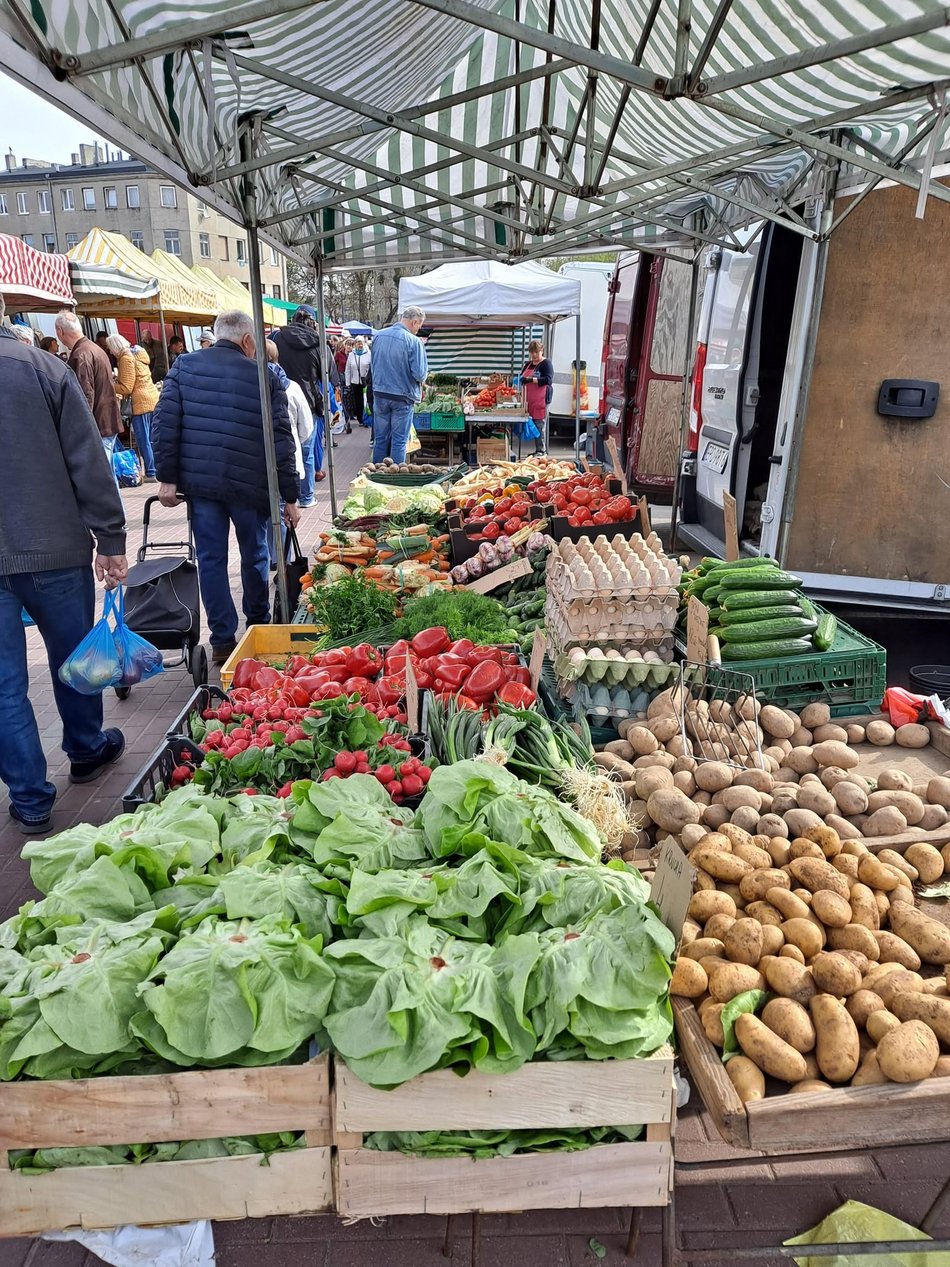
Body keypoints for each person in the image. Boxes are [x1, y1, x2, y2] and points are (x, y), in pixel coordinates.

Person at [0, 290, 128, 834]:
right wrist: (112, 538)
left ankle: (29, 797)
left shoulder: (46, 367)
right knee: (73, 656)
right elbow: (86, 458)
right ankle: (85, 747)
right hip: (53, 545)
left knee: (3, 685)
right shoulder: (42, 367)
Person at [152, 310, 300, 664]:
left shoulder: (184, 367)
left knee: (211, 561)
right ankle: (257, 625)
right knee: (255, 556)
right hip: (251, 486)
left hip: (203, 486)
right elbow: (283, 439)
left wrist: (167, 478)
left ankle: (221, 639)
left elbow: (164, 424)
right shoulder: (264, 375)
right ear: (248, 340)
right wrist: (290, 495)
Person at [271, 305, 336, 502]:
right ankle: (307, 496)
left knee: (282, 450)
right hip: (309, 401)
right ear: (312, 322)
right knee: (306, 451)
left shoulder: (276, 338)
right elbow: (330, 376)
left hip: (279, 398)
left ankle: (284, 499)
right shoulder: (319, 343)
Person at [265, 338, 313, 567]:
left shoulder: (248, 384)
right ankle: (282, 561)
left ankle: (272, 557)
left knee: (266, 513)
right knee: (285, 509)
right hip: (287, 459)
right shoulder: (292, 387)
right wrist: (295, 440)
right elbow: (307, 427)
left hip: (259, 463)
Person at [55, 311, 124, 466]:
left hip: (98, 425)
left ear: (60, 331)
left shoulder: (81, 354)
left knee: (101, 479)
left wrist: (80, 429)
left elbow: (85, 396)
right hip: (106, 420)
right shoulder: (93, 348)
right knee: (107, 477)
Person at [370, 306, 428, 464]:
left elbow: (373, 365)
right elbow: (420, 374)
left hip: (380, 393)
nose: (418, 330)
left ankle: (375, 475)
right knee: (399, 441)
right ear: (414, 321)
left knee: (380, 440)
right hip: (402, 396)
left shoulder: (378, 336)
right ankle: (395, 478)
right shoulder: (414, 342)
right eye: (419, 326)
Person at [107, 333, 160, 483]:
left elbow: (126, 387)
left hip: (140, 402)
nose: (110, 352)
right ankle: (157, 469)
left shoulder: (125, 358)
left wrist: (110, 383)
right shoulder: (139, 353)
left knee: (143, 439)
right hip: (152, 398)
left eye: (110, 348)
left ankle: (151, 471)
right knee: (152, 438)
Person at [520, 339, 554, 457]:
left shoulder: (546, 363)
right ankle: (536, 450)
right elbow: (521, 377)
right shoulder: (528, 364)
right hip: (528, 400)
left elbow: (548, 379)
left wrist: (531, 380)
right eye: (532, 353)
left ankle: (541, 450)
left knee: (539, 424)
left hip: (541, 400)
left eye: (536, 352)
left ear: (542, 351)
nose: (534, 355)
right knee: (531, 424)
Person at [345, 335, 372, 428]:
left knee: (366, 400)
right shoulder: (351, 355)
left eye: (361, 343)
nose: (360, 345)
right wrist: (347, 383)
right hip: (355, 381)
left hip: (366, 382)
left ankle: (366, 419)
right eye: (358, 343)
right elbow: (348, 369)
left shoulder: (368, 354)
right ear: (355, 344)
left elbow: (371, 367)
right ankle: (360, 419)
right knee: (358, 401)